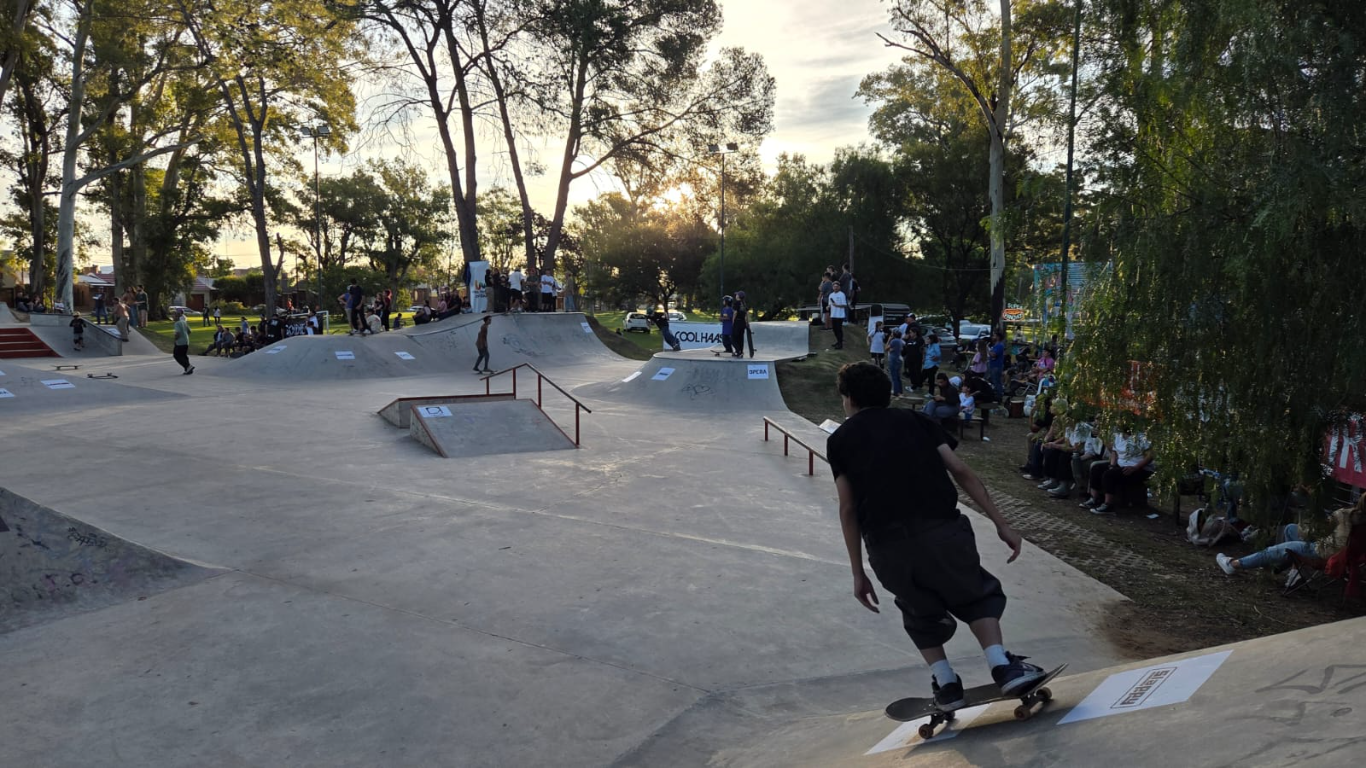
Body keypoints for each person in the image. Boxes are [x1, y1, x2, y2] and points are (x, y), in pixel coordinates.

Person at [827, 362, 1046, 711]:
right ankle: (1002, 666)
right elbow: (960, 471)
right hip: (941, 531)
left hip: (887, 546)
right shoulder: (917, 422)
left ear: (849, 399)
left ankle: (946, 684)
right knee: (974, 592)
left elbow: (848, 508)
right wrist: (1001, 523)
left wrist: (858, 572)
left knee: (916, 609)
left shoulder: (839, 441)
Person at [1217, 499, 1364, 578]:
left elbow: (1315, 532)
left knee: (1277, 549)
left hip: (1323, 551)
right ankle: (1293, 572)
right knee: (1290, 529)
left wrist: (1307, 523)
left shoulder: (1344, 515)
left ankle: (1233, 565)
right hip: (1344, 554)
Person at [1080, 431, 1154, 515]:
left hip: (1139, 468)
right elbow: (1114, 452)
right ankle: (1094, 498)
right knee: (1096, 468)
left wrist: (1135, 468)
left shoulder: (1142, 437)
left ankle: (1108, 505)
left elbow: (1150, 456)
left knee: (1109, 475)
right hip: (1121, 464)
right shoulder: (1118, 435)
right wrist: (1112, 465)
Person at [171, 309, 194, 375]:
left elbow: (178, 333)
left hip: (180, 342)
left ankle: (188, 366)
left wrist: (175, 340)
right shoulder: (183, 322)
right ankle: (188, 369)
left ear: (177, 317)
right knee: (183, 355)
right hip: (186, 341)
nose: (172, 318)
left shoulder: (177, 323)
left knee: (176, 355)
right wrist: (185, 336)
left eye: (173, 316)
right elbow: (189, 331)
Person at [828, 281, 849, 350]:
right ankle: (838, 341)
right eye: (834, 286)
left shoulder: (842, 294)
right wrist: (828, 307)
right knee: (834, 329)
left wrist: (837, 305)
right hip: (833, 314)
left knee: (839, 329)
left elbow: (844, 305)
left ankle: (840, 344)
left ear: (839, 287)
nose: (835, 288)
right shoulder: (831, 295)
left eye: (837, 286)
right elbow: (830, 304)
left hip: (839, 315)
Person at [731, 291, 752, 358]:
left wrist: (733, 321)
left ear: (738, 296)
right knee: (740, 338)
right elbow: (746, 315)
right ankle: (740, 351)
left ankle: (738, 351)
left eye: (737, 295)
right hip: (743, 323)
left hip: (737, 322)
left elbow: (735, 313)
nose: (736, 296)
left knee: (733, 338)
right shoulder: (744, 304)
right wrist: (747, 323)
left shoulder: (737, 303)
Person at [886, 329, 905, 398]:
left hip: (893, 359)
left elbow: (886, 348)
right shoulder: (900, 341)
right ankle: (900, 391)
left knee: (894, 376)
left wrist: (889, 340)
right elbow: (901, 349)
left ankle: (896, 392)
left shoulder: (894, 341)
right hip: (899, 359)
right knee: (898, 376)